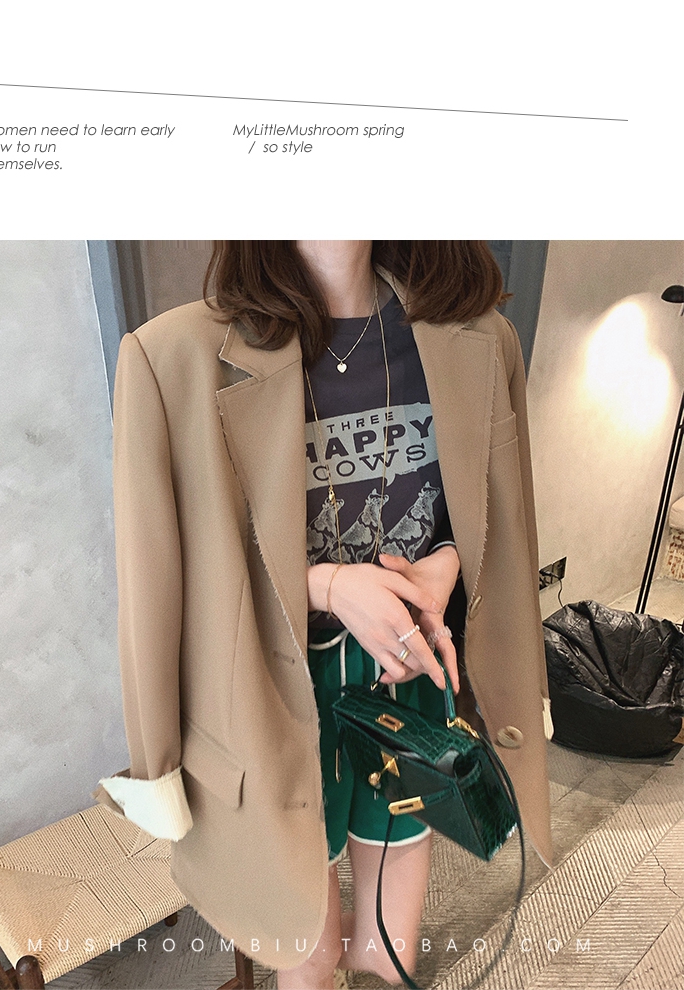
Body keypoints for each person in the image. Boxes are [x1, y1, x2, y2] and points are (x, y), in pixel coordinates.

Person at [93, 241, 553, 990]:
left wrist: (445, 562)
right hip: (270, 696)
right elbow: (165, 580)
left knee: (388, 949)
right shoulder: (170, 359)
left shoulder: (474, 335)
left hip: (407, 673)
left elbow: (496, 508)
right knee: (306, 952)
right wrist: (329, 586)